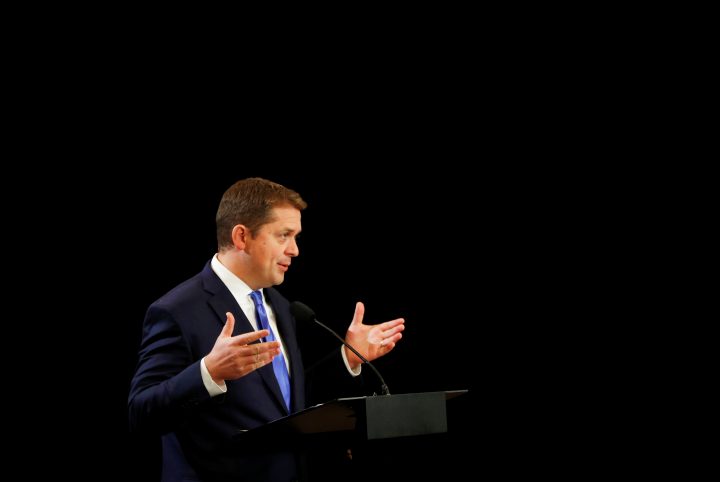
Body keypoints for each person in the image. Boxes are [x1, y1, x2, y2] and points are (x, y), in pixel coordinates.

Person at [128, 177, 405, 482]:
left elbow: (286, 404)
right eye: (284, 235)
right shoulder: (177, 310)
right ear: (242, 237)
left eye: (296, 237)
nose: (295, 250)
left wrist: (348, 358)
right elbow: (141, 412)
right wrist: (208, 373)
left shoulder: (282, 306)